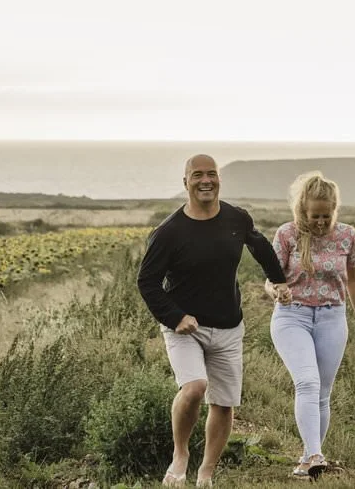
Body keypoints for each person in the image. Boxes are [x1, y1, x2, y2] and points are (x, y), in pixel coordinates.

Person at [138, 154, 292, 488]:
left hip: (228, 325)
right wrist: (175, 317)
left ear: (219, 179)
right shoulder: (168, 232)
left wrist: (277, 280)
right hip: (184, 327)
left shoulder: (237, 218)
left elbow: (260, 245)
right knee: (194, 388)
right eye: (197, 175)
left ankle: (206, 472)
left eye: (211, 174)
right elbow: (146, 282)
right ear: (185, 182)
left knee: (223, 403)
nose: (205, 181)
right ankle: (181, 455)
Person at [264, 171, 355, 479]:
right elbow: (270, 282)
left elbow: (353, 279)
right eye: (315, 216)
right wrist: (276, 291)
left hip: (332, 317)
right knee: (307, 383)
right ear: (302, 210)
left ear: (334, 208)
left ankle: (306, 462)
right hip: (292, 316)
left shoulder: (348, 235)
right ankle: (315, 454)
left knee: (323, 393)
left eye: (326, 215)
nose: (321, 222)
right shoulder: (286, 235)